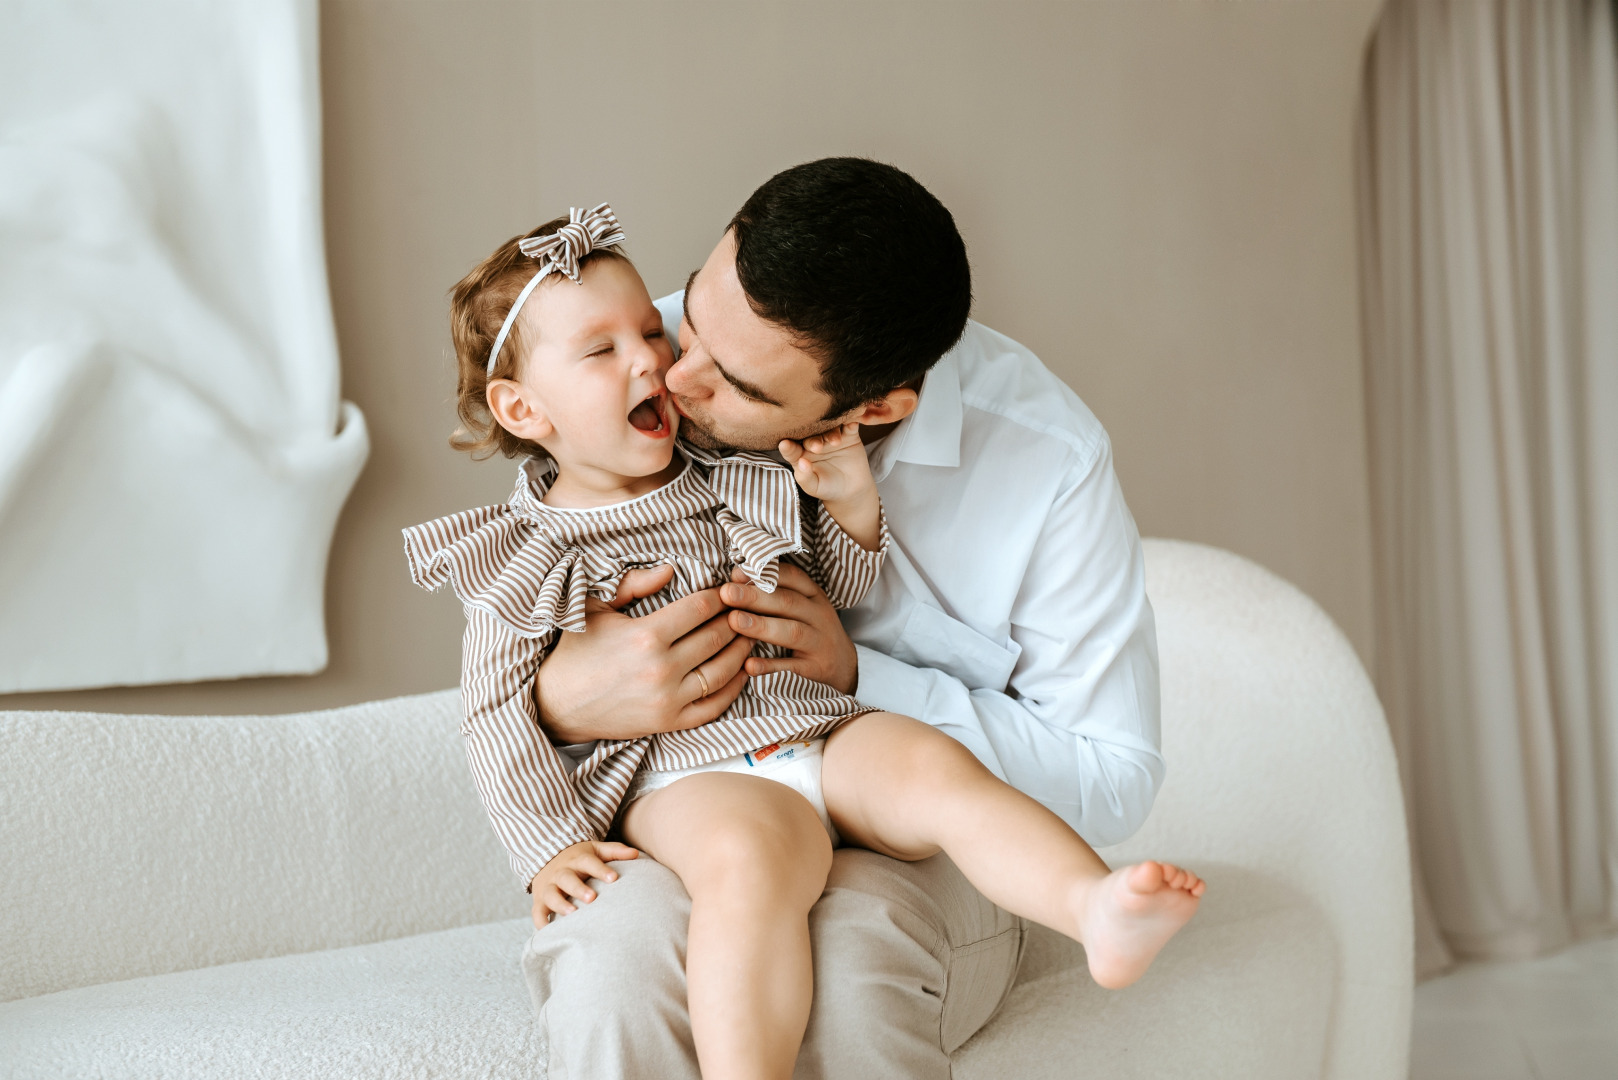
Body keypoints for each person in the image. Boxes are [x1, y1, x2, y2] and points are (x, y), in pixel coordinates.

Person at [406, 198, 1202, 1080]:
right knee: (743, 870)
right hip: (694, 776)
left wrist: (855, 568)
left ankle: (1092, 907)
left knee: (934, 773)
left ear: (874, 406)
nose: (667, 368)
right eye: (675, 328)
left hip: (818, 730)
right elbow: (491, 712)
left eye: (656, 339)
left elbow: (825, 586)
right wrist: (550, 815)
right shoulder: (533, 536)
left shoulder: (746, 474)